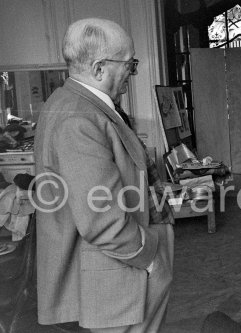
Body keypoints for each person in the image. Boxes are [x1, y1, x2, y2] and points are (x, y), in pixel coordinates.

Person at [34, 18, 173, 332]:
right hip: (117, 276)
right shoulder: (77, 118)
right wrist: (150, 258)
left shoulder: (78, 104)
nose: (131, 74)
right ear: (98, 69)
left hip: (115, 270)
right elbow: (102, 220)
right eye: (129, 65)